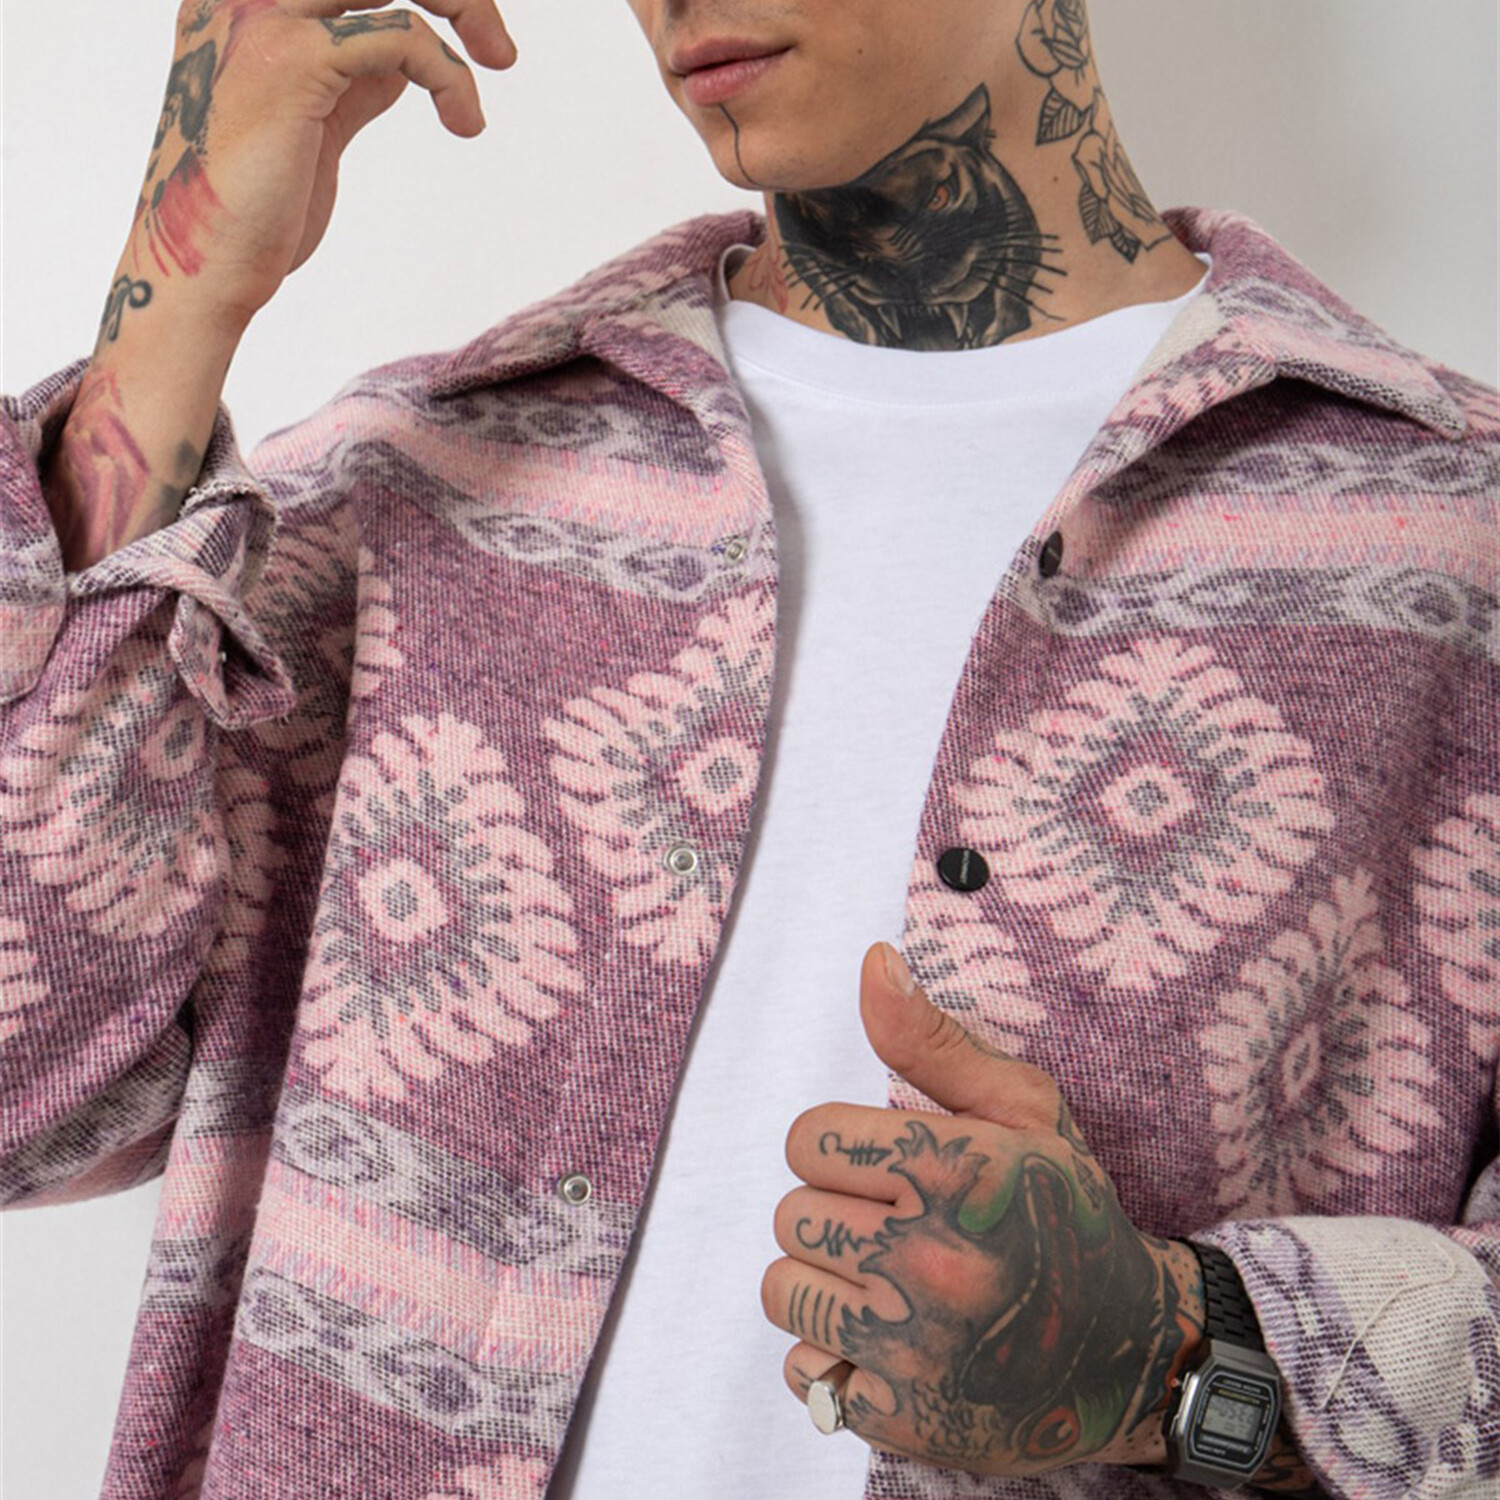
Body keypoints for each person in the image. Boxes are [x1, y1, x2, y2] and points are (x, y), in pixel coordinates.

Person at [0, 2, 1495, 1497]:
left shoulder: (1449, 550)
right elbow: (30, 1096)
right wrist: (177, 297)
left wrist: (1179, 1353)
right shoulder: (413, 491)